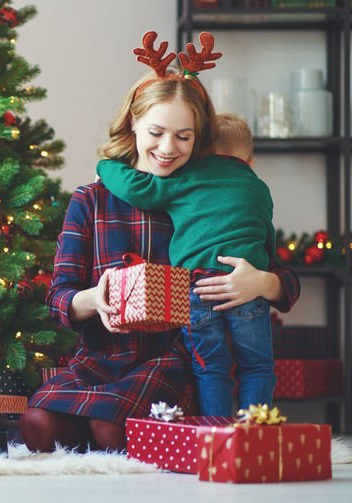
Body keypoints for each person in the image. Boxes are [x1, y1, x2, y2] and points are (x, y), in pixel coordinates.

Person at [20, 32, 300, 452]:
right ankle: (97, 421)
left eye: (184, 137)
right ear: (133, 123)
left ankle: (121, 427)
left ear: (199, 138)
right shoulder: (92, 199)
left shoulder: (213, 197)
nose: (168, 149)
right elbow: (58, 297)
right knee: (37, 424)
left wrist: (262, 283)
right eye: (156, 132)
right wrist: (96, 299)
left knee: (110, 431)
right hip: (101, 360)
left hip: (173, 361)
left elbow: (282, 277)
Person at [97, 113, 276, 416]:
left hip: (198, 288)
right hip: (248, 288)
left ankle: (215, 435)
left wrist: (106, 165)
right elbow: (268, 238)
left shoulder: (187, 177)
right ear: (250, 160)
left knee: (211, 365)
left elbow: (138, 189)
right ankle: (256, 434)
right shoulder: (259, 188)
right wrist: (263, 273)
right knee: (257, 365)